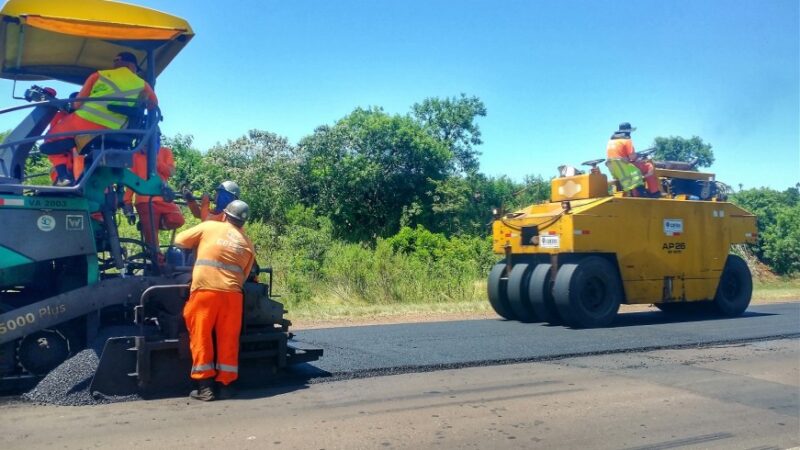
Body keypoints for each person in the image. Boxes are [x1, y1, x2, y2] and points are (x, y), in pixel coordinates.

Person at [174, 200, 255, 401]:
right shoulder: (247, 243)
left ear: (225, 215)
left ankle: (205, 388)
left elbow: (179, 240)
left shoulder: (209, 227)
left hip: (205, 293)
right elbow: (244, 276)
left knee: (201, 337)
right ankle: (226, 386)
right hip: (233, 296)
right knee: (228, 341)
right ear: (242, 223)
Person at [44, 51, 158, 186]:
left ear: (119, 62)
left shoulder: (99, 75)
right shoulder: (143, 85)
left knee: (50, 140)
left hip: (85, 122)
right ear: (131, 66)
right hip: (117, 128)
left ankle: (63, 177)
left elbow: (77, 104)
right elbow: (153, 104)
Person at [122, 146, 185, 251]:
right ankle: (157, 260)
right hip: (144, 201)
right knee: (152, 241)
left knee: (178, 220)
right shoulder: (135, 156)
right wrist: (127, 202)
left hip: (163, 198)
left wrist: (155, 162)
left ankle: (147, 225)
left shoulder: (165, 151)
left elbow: (171, 172)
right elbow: (131, 181)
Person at [606, 122, 660, 197]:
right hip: (624, 166)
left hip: (615, 168)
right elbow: (632, 157)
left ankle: (636, 192)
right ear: (628, 131)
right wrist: (638, 156)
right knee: (648, 166)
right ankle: (654, 192)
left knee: (635, 169)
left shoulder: (611, 141)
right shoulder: (627, 140)